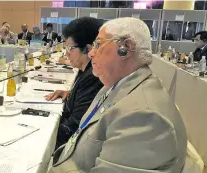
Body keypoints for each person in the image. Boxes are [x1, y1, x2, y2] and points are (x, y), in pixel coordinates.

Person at [49, 17, 187, 173]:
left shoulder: (144, 118)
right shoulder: (114, 86)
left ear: (126, 48)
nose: (92, 53)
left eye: (98, 45)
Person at [45, 17, 103, 158]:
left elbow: (74, 127)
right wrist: (71, 94)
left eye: (70, 48)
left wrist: (44, 133)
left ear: (88, 49)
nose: (66, 53)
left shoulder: (93, 76)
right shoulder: (85, 70)